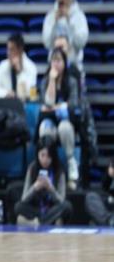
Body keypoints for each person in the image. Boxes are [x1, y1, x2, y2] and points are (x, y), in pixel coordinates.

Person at [37, 47, 80, 189]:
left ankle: (71, 163)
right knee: (45, 128)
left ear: (64, 62)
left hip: (67, 121)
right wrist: (52, 80)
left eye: (59, 60)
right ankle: (48, 169)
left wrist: (54, 108)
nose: (56, 64)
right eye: (53, 60)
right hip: (50, 121)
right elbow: (47, 103)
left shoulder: (72, 81)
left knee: (64, 128)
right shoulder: (45, 81)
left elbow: (72, 105)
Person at [15, 135, 72, 225]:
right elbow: (24, 199)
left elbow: (62, 200)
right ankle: (48, 222)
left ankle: (38, 223)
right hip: (36, 209)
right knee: (18, 207)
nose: (45, 160)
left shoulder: (59, 171)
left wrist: (50, 188)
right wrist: (35, 187)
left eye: (49, 156)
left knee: (67, 206)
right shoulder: (32, 168)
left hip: (52, 209)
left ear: (53, 156)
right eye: (42, 155)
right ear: (37, 154)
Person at [43, 0, 89, 71]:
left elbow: (81, 43)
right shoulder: (50, 16)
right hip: (54, 67)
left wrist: (69, 21)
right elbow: (47, 43)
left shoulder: (79, 16)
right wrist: (54, 23)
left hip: (74, 67)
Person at [0, 33, 37, 101]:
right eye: (8, 49)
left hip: (24, 105)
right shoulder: (3, 65)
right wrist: (5, 93)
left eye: (12, 49)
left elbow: (32, 95)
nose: (8, 53)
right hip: (5, 104)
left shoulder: (31, 67)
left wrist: (19, 73)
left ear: (20, 50)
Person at [85, 158, 114, 226]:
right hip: (109, 207)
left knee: (94, 223)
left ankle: (108, 221)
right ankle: (109, 221)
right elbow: (105, 189)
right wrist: (110, 175)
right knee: (91, 197)